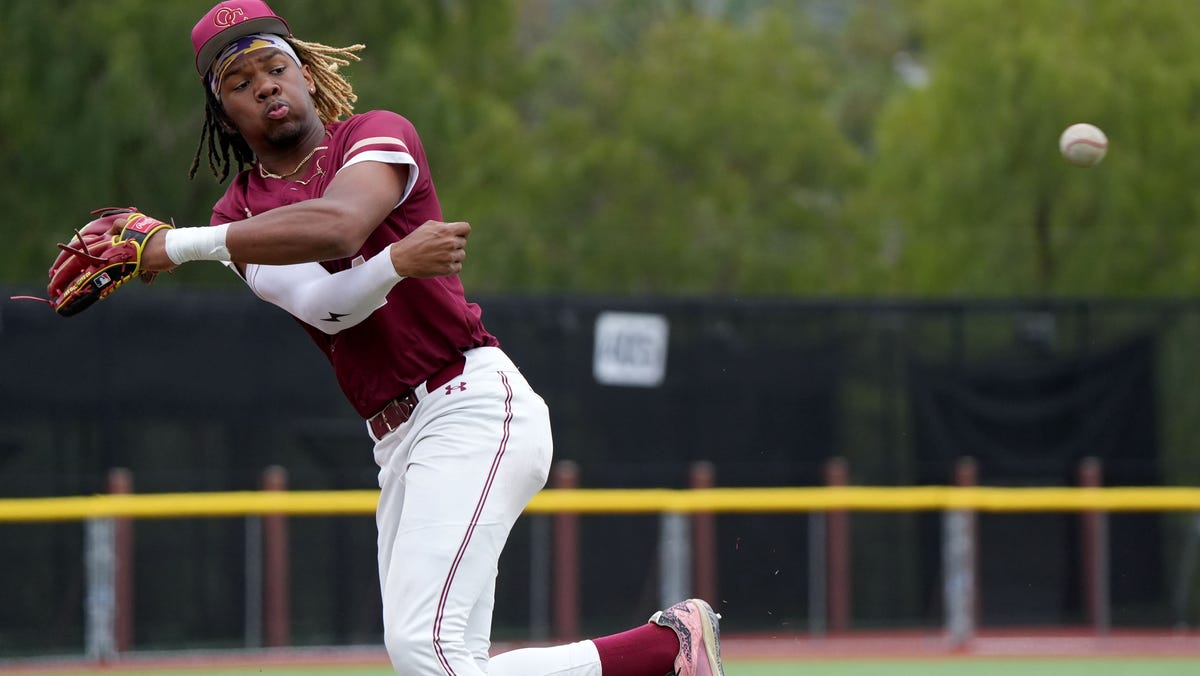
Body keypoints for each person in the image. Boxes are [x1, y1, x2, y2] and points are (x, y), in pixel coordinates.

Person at [129, 1, 726, 674]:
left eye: (276, 66)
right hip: (396, 441)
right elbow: (325, 309)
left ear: (307, 75)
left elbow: (342, 225)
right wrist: (395, 264)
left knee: (422, 650)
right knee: (446, 660)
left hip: (468, 401)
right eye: (240, 82)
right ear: (222, 112)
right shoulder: (238, 214)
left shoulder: (374, 134)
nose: (265, 85)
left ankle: (659, 650)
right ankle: (667, 648)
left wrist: (174, 247)